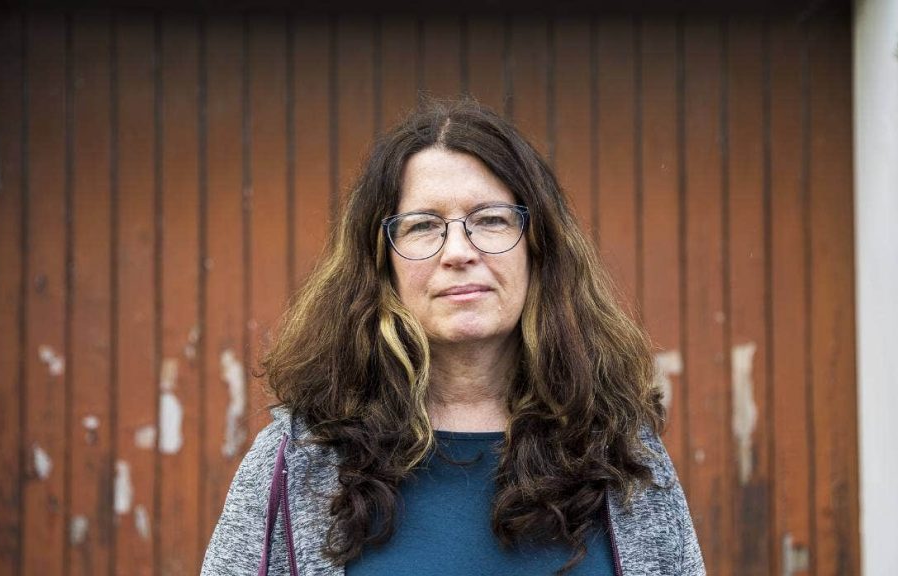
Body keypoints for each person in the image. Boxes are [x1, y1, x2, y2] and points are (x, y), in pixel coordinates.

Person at [201, 98, 705, 576]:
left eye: (489, 219)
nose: (459, 251)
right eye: (423, 226)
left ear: (539, 246)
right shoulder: (298, 462)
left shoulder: (623, 453)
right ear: (380, 262)